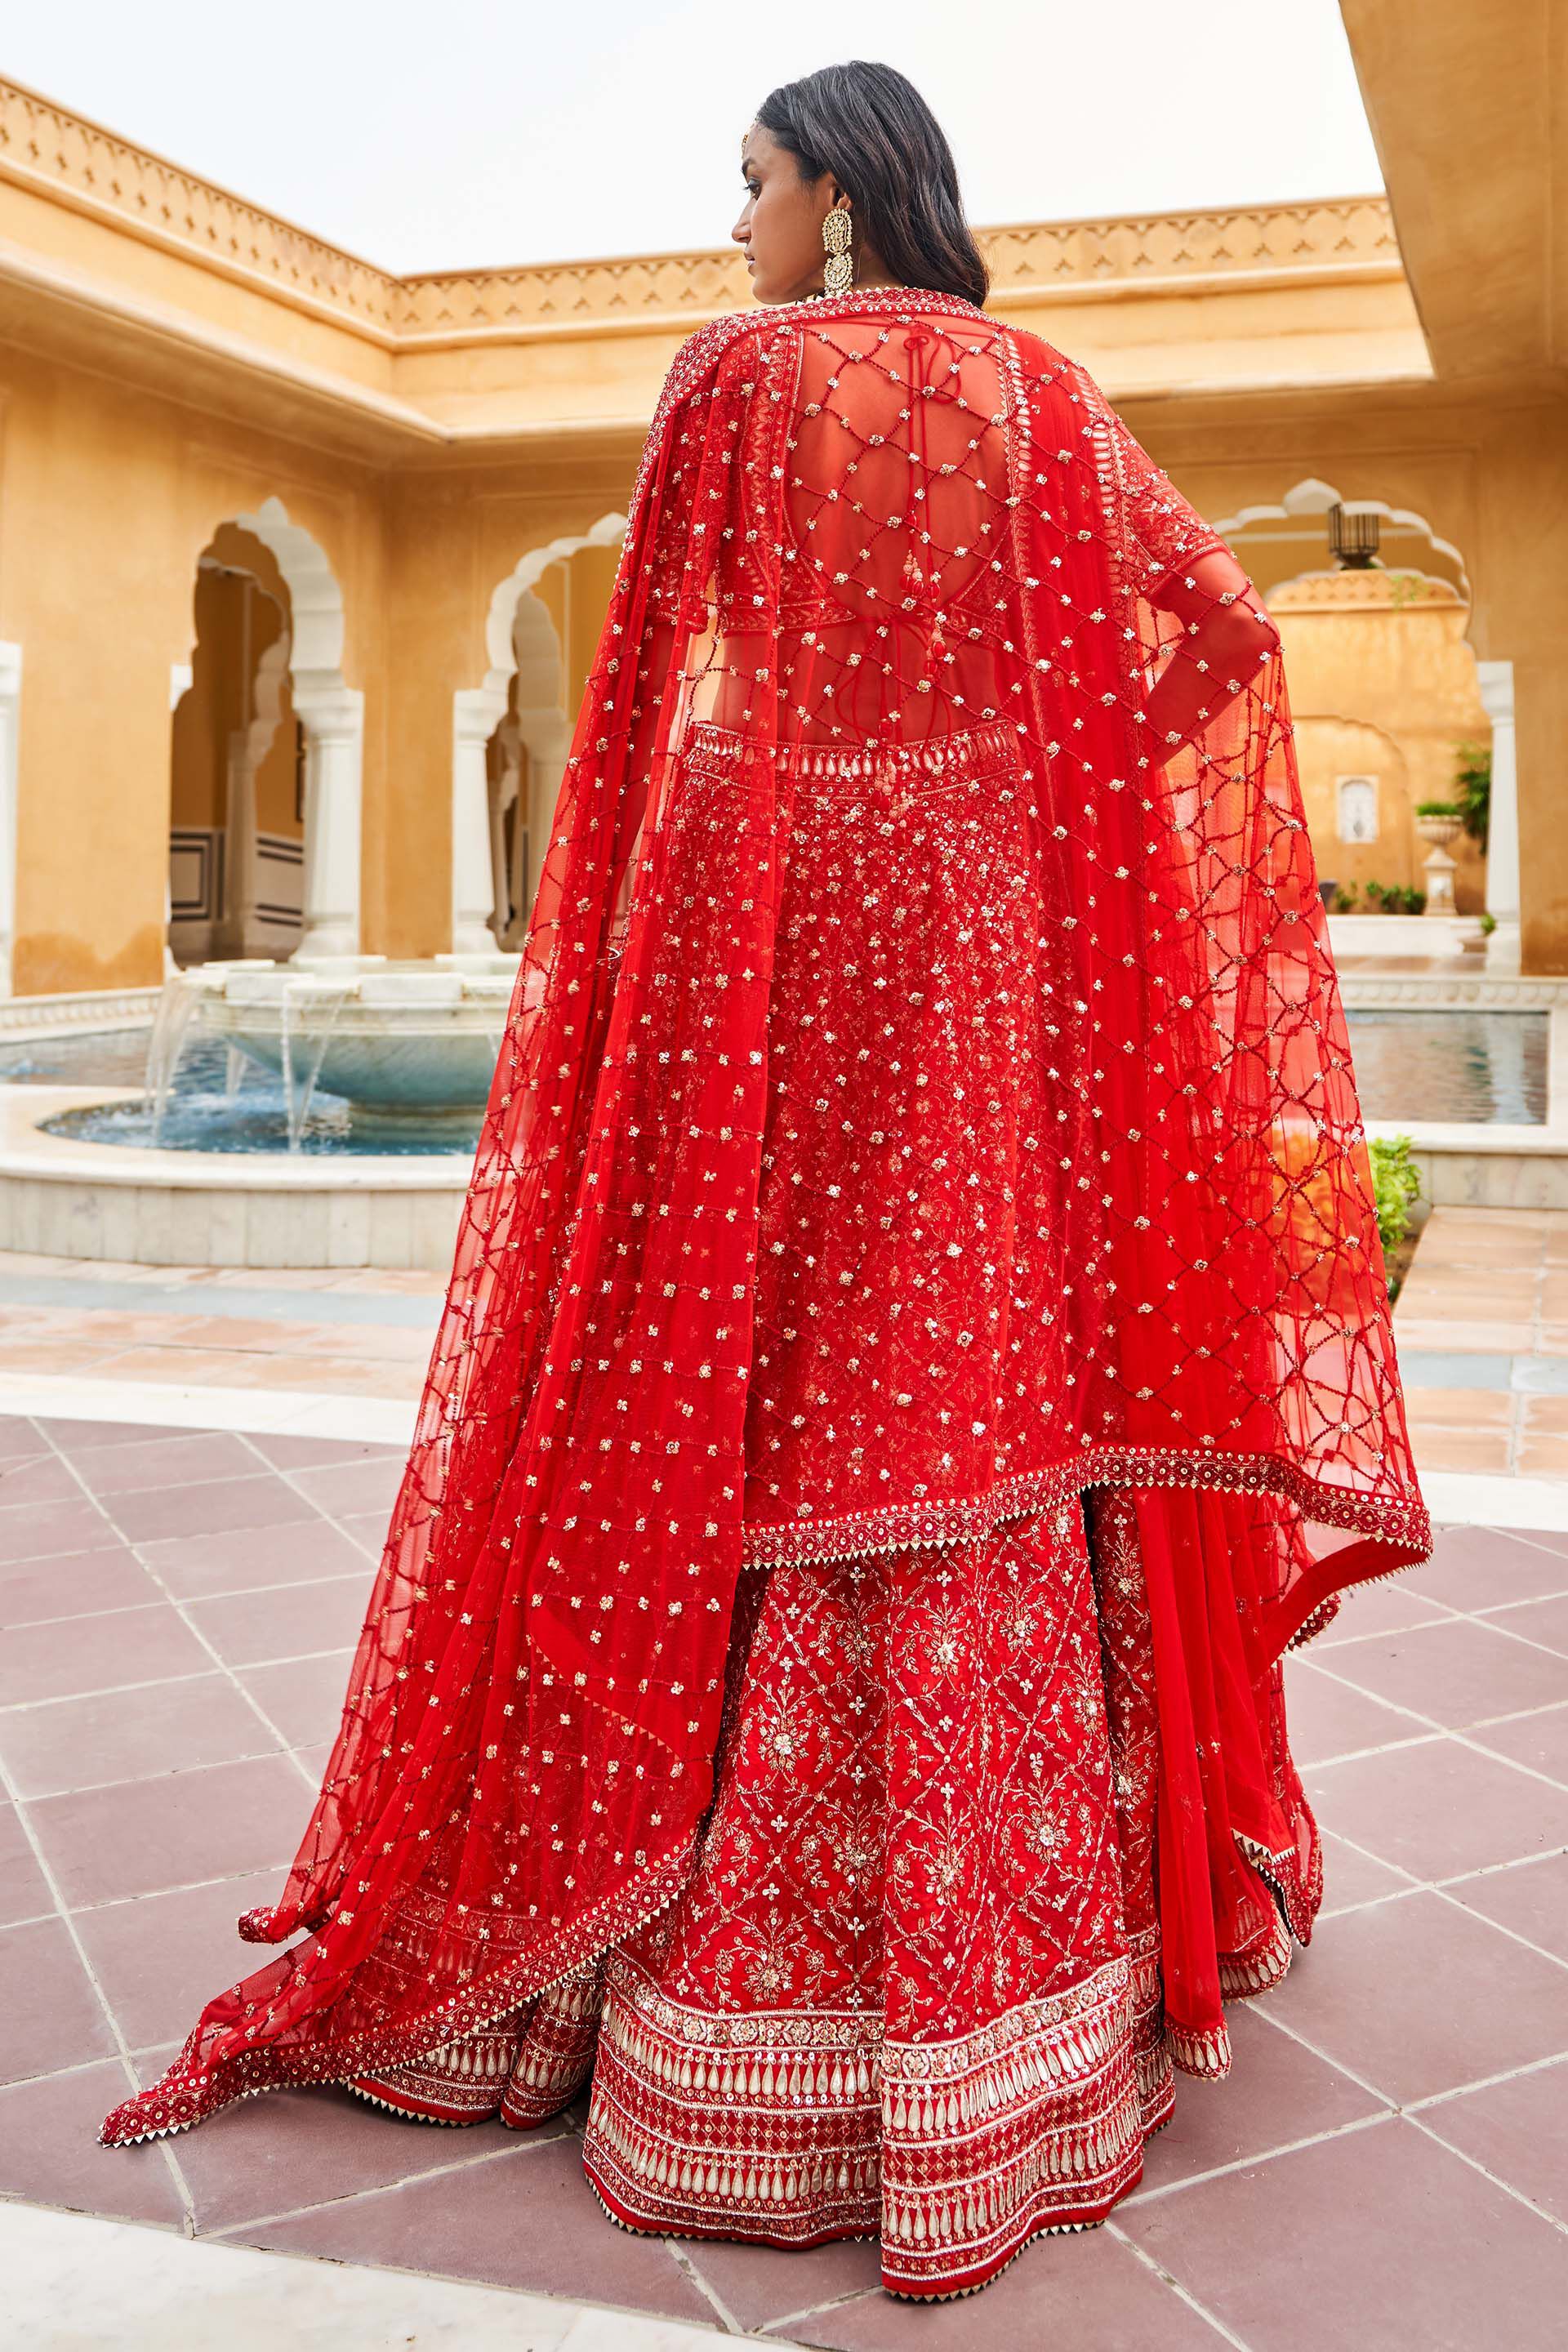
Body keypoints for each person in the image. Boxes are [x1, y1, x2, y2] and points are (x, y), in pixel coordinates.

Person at [103, 60, 1432, 2303]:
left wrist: (641, 939)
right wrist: (1047, 807)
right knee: (979, 1366)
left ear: (834, 185)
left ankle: (705, 2003)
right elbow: (1229, 634)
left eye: (752, 185)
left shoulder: (736, 382)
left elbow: (640, 701)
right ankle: (1019, 2026)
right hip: (981, 944)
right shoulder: (1043, 394)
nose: (736, 228)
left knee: (737, 1366)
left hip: (771, 916)